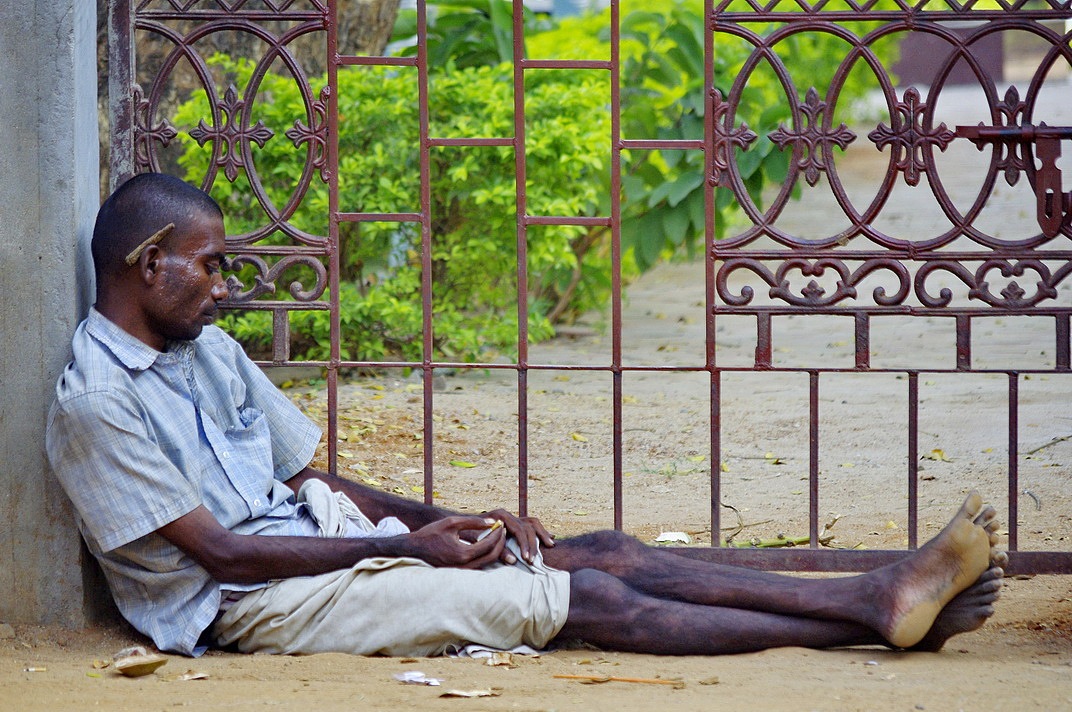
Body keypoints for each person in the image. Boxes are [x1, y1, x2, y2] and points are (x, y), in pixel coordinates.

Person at [47, 173, 1006, 658]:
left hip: (314, 546)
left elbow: (310, 483)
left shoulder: (203, 349)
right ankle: (867, 613)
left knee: (604, 550)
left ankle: (880, 596)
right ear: (149, 262)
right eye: (210, 264)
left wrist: (442, 520)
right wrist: (409, 554)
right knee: (582, 601)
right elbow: (224, 556)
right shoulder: (96, 402)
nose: (224, 285)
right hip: (251, 604)